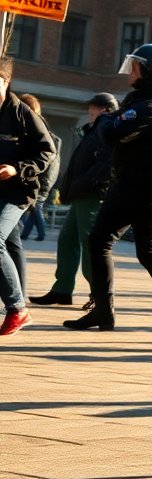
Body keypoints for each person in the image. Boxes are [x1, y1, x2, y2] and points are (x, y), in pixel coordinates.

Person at [64, 44, 152, 340]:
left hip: (135, 185)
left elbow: (108, 132)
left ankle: (104, 309)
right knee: (150, 252)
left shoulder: (148, 106)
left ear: (150, 71)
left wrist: (109, 118)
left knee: (99, 241)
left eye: (134, 67)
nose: (129, 72)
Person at [30, 93, 116, 306]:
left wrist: (88, 183)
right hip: (82, 194)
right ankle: (62, 290)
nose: (90, 112)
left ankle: (99, 295)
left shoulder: (108, 130)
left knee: (90, 245)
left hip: (93, 194)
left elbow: (107, 164)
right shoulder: (94, 130)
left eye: (93, 109)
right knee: (67, 239)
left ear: (105, 110)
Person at [0, 60, 55, 336]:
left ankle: (17, 308)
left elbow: (48, 151)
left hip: (18, 192)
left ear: (4, 81)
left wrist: (16, 169)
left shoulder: (21, 113)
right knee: (9, 244)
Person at [18, 94, 59, 243]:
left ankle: (40, 234)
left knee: (36, 210)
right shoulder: (43, 131)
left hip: (39, 181)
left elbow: (46, 161)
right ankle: (25, 234)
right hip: (41, 180)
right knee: (34, 211)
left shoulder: (39, 132)